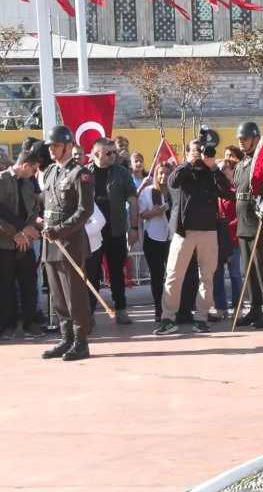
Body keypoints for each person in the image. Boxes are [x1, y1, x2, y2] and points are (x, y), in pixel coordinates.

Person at [155, 139, 233, 335]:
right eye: (195, 151)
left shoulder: (210, 173)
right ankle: (168, 319)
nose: (199, 154)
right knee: (174, 276)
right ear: (188, 153)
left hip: (208, 230)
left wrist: (213, 167)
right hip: (184, 232)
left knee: (207, 277)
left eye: (202, 151)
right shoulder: (183, 171)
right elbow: (172, 182)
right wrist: (188, 163)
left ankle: (201, 318)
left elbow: (226, 191)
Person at [40, 125, 96, 361]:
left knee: (74, 295)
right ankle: (66, 338)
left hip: (70, 242)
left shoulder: (80, 174)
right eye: (50, 145)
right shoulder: (50, 172)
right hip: (50, 242)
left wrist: (60, 230)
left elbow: (85, 210)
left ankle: (81, 341)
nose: (51, 149)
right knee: (58, 294)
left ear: (68, 146)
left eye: (56, 145)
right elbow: (46, 204)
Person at [84, 138, 138, 325]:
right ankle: (88, 313)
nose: (114, 155)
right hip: (92, 233)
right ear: (97, 153)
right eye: (109, 152)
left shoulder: (122, 173)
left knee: (117, 272)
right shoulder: (84, 173)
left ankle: (121, 309)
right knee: (91, 273)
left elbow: (132, 200)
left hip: (115, 231)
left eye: (114, 152)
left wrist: (134, 227)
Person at [233, 121, 263, 329]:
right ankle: (255, 308)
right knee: (248, 269)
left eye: (245, 138)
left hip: (260, 222)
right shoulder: (240, 165)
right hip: (243, 223)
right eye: (240, 139)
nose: (242, 142)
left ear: (255, 139)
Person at [0, 150, 43, 339]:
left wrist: (29, 230)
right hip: (4, 243)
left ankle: (30, 323)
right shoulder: (1, 179)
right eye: (33, 169)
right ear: (25, 165)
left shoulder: (28, 185)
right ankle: (7, 325)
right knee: (5, 286)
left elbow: (33, 212)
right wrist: (17, 233)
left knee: (29, 283)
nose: (34, 174)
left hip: (25, 243)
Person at [138, 163, 173, 322]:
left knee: (173, 275)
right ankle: (159, 309)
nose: (163, 176)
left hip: (171, 237)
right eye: (160, 173)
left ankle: (174, 308)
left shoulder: (174, 191)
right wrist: (154, 212)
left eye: (166, 173)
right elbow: (142, 214)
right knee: (157, 275)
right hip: (153, 237)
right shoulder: (148, 191)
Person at [212, 147, 242, 322]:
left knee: (235, 274)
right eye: (220, 169)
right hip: (217, 239)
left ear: (232, 171)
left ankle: (238, 307)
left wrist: (229, 229)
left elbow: (240, 215)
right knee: (217, 274)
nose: (222, 172)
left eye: (225, 169)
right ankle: (221, 307)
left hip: (233, 237)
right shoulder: (215, 190)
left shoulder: (236, 190)